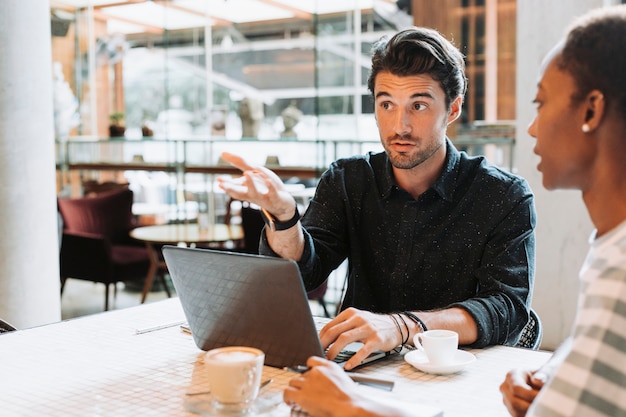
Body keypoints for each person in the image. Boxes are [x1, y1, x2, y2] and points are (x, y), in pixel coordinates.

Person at [218, 26, 535, 371]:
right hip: (357, 366)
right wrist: (284, 217)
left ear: (453, 109)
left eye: (419, 105)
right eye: (387, 104)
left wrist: (401, 326)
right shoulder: (348, 179)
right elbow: (303, 274)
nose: (400, 125)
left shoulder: (502, 195)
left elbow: (507, 308)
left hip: (454, 373)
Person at [499, 5, 626, 417]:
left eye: (541, 102)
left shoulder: (621, 269)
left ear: (591, 110)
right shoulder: (610, 245)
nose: (532, 128)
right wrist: (554, 373)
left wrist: (355, 407)